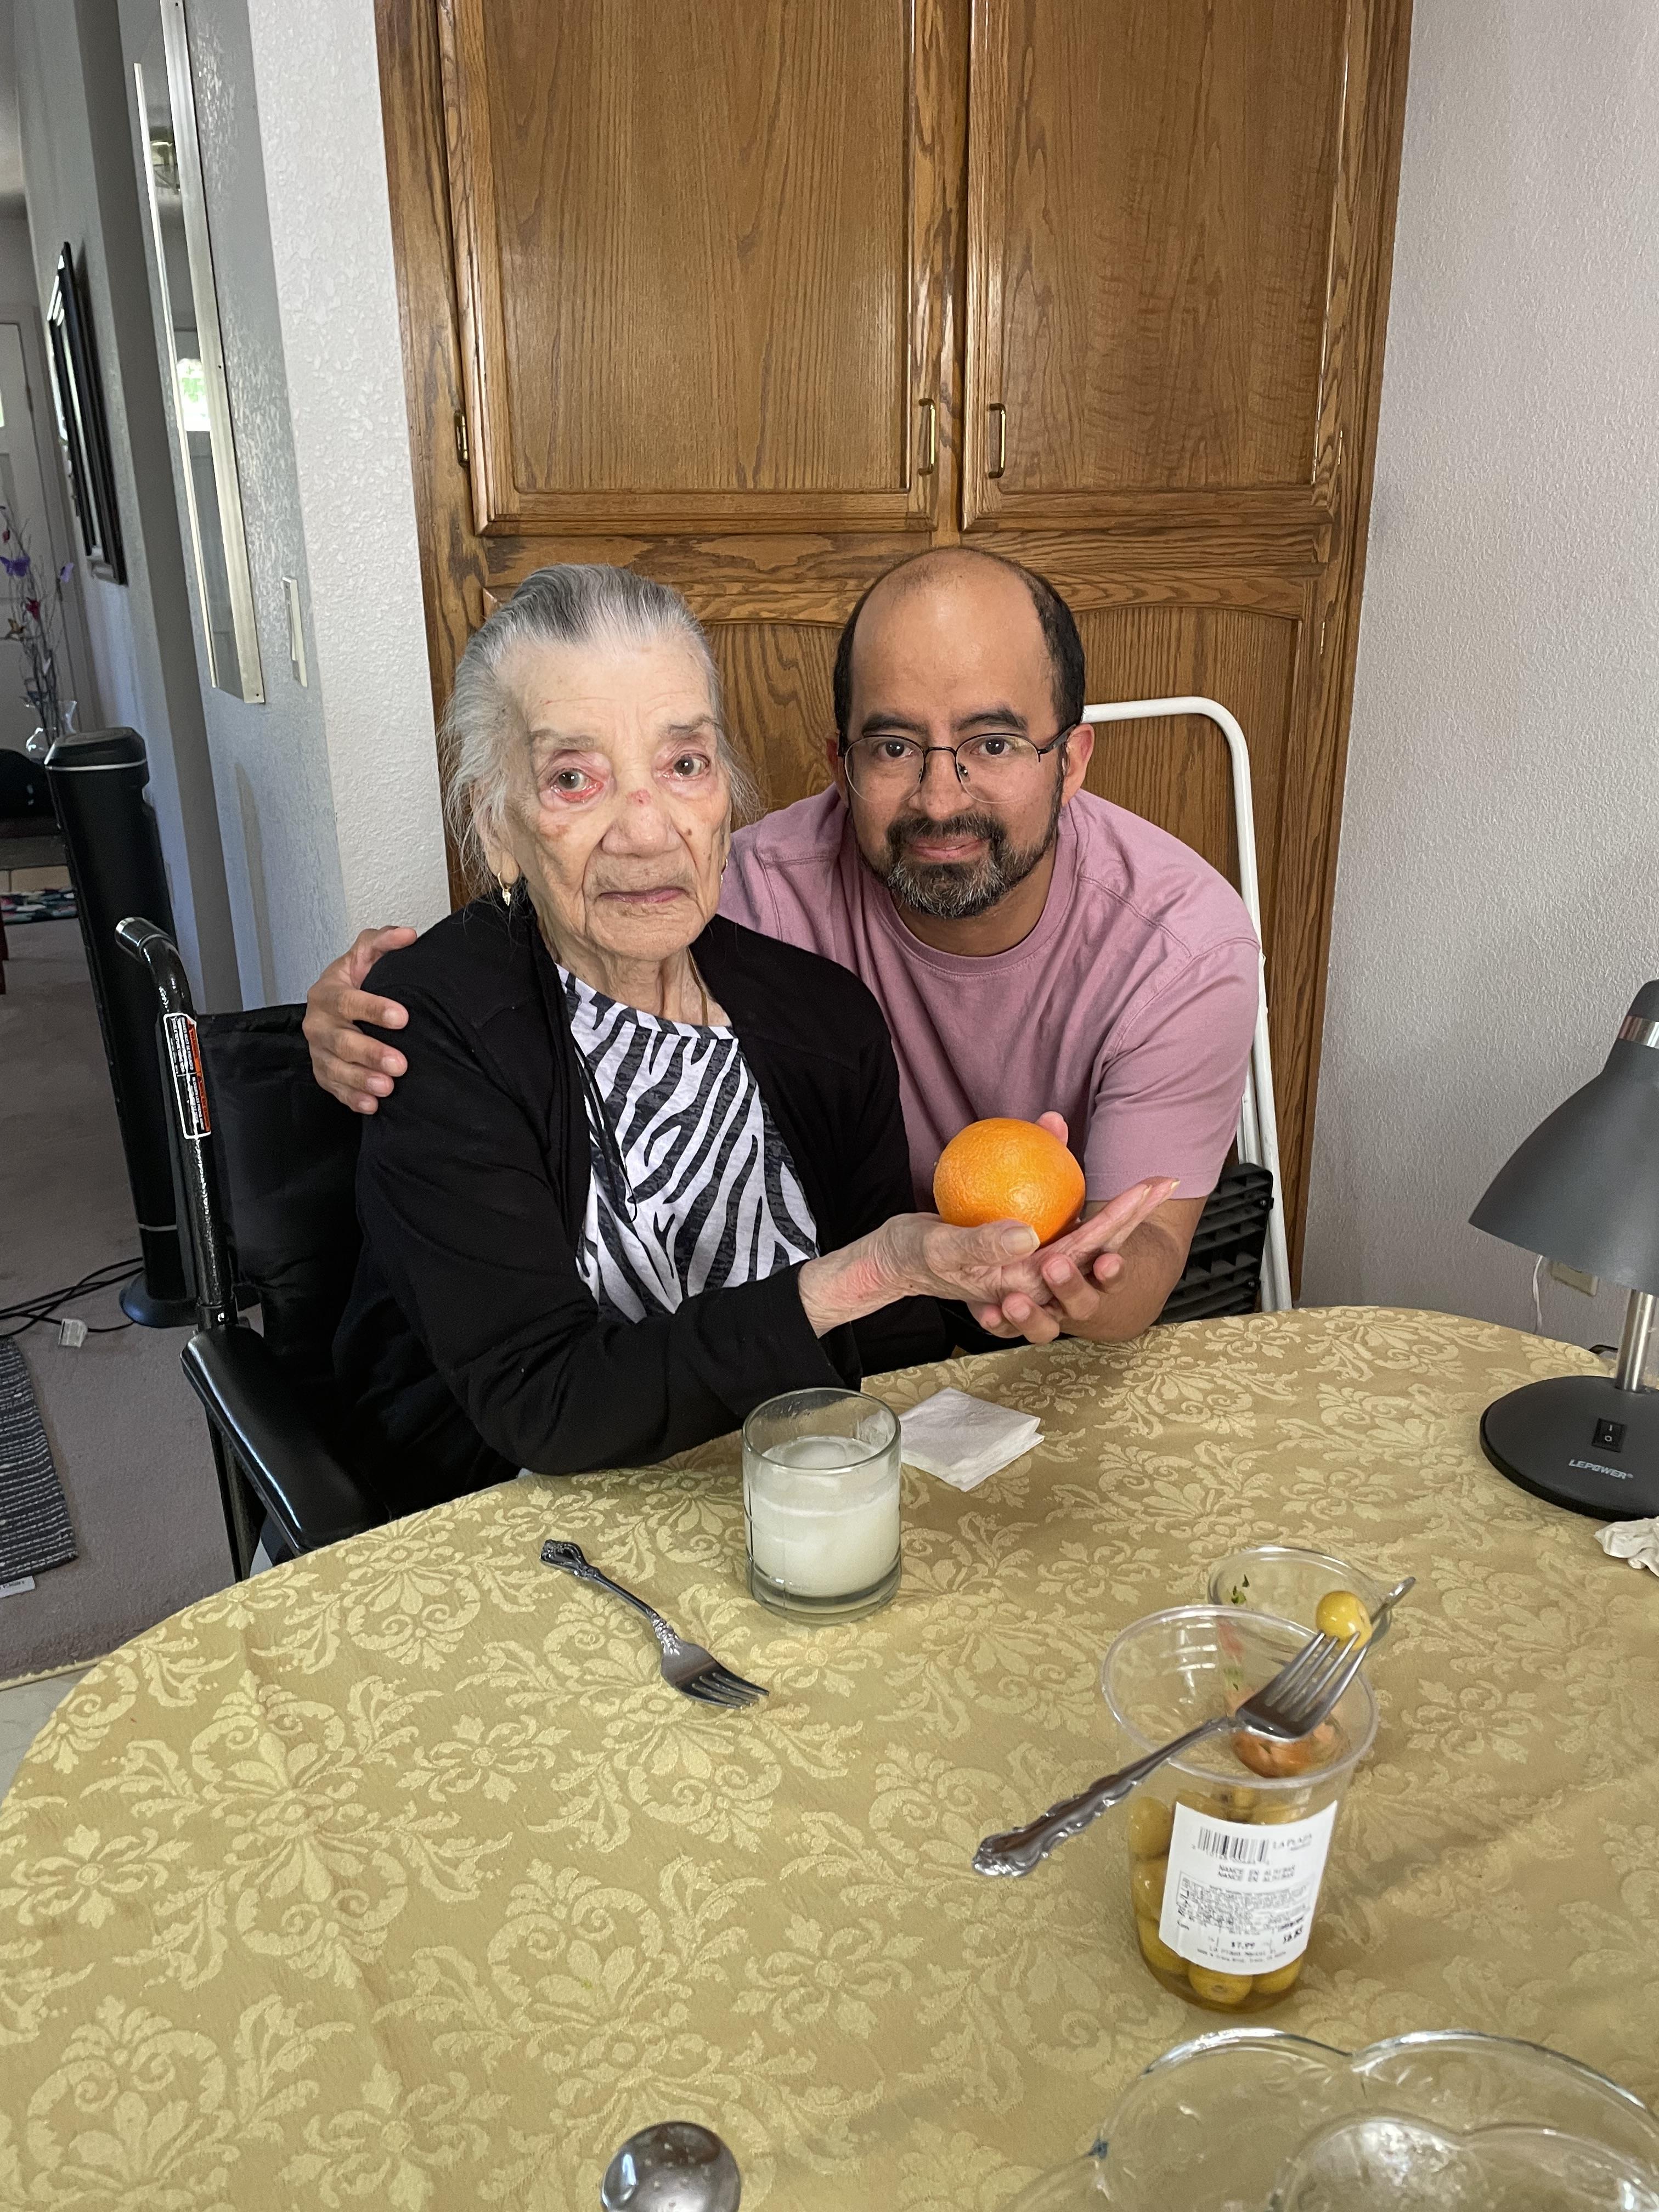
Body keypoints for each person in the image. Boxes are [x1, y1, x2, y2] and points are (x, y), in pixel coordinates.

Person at [334, 565, 1172, 1511]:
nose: (645, 831)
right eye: (575, 778)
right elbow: (545, 1404)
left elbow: (887, 1357)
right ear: (497, 823)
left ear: (723, 793)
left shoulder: (825, 1019)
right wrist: (877, 1271)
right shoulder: (426, 1028)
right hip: (506, 1530)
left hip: (789, 1509)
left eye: (683, 765)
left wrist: (996, 1273)